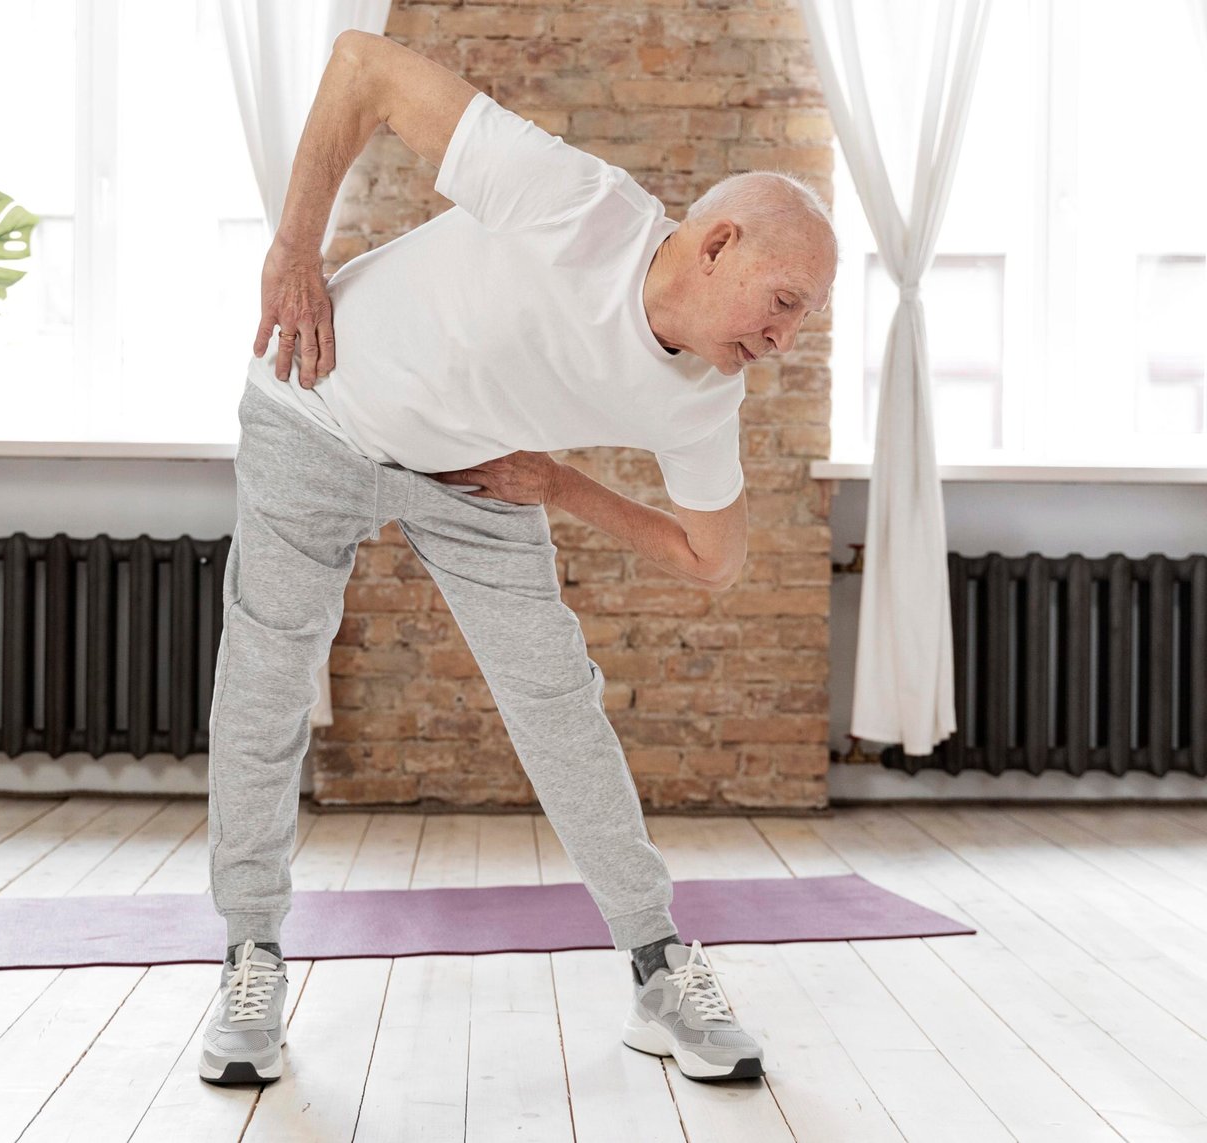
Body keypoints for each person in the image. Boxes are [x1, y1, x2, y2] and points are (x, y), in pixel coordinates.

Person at [198, 29, 835, 1088]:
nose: (784, 342)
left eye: (804, 325)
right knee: (264, 687)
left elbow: (709, 559)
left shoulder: (704, 395)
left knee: (558, 705)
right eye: (782, 306)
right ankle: (249, 956)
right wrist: (295, 250)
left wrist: (562, 487)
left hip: (476, 478)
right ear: (717, 244)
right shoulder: (572, 204)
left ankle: (658, 966)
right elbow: (363, 65)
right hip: (316, 409)